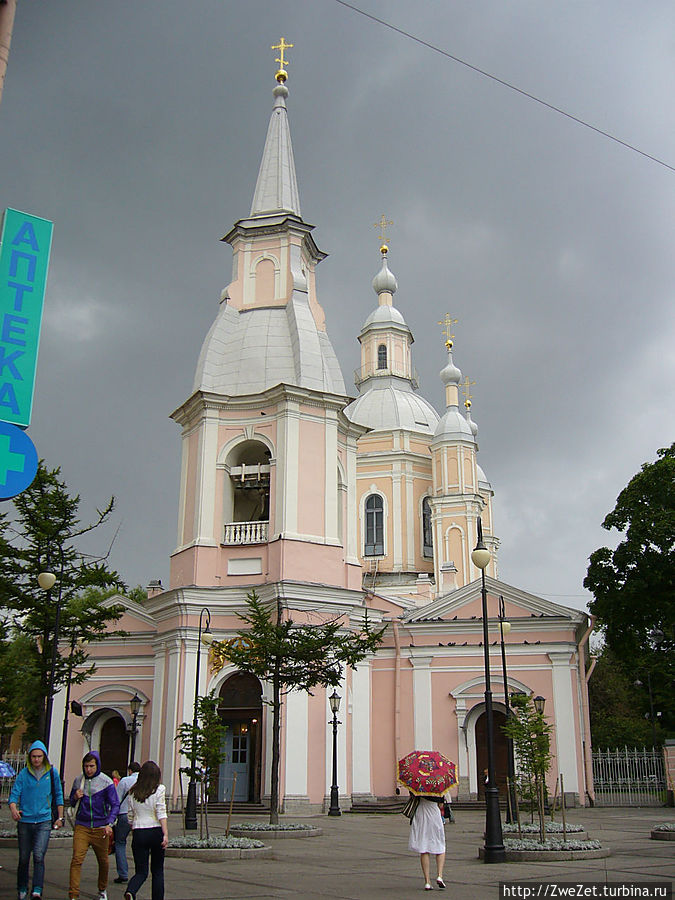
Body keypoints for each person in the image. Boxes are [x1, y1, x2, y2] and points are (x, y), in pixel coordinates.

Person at [8, 740, 64, 900]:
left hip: (44, 821)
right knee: (24, 857)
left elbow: (58, 795)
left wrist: (60, 817)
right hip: (25, 821)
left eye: (39, 756)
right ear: (30, 757)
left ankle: (37, 889)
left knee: (39, 855)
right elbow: (14, 795)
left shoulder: (52, 773)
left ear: (44, 757)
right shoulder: (24, 774)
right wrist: (13, 808)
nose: (37, 760)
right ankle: (22, 887)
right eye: (34, 756)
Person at [68, 751, 119, 900]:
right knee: (77, 859)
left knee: (103, 861)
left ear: (97, 765)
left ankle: (102, 889)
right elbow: (72, 802)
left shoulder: (106, 782)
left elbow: (114, 804)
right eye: (86, 766)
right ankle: (73, 894)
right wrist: (74, 797)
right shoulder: (79, 780)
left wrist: (110, 823)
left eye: (91, 766)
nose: (88, 769)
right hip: (82, 825)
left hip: (100, 827)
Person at [124, 760, 168, 900]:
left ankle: (131, 890)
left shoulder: (132, 792)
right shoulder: (159, 789)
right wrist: (165, 833)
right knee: (157, 870)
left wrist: (133, 827)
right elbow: (161, 812)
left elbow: (130, 815)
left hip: (139, 831)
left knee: (141, 871)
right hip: (155, 830)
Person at [408, 795, 446, 891]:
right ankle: (439, 875)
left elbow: (413, 797)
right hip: (434, 813)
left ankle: (427, 882)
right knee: (440, 846)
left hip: (421, 813)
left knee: (424, 848)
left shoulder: (418, 784)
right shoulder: (438, 786)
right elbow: (441, 805)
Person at [113, 762, 141, 884]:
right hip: (140, 816)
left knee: (120, 842)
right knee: (139, 845)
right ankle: (140, 872)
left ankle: (123, 873)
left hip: (124, 814)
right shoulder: (144, 781)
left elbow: (116, 799)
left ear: (130, 770)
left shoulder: (125, 781)